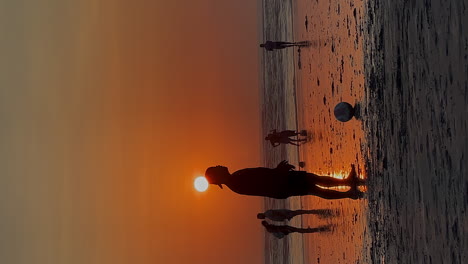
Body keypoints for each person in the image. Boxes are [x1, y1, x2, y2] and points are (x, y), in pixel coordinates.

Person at [204, 161, 364, 200]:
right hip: (282, 185)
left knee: (314, 179)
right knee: (315, 188)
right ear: (218, 176)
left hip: (281, 182)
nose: (219, 164)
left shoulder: (235, 178)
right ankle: (349, 193)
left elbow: (262, 175)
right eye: (216, 167)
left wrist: (277, 170)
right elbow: (263, 184)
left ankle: (348, 183)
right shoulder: (235, 183)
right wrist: (278, 171)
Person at [261, 221, 331, 239]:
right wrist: (287, 229)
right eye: (266, 222)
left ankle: (317, 229)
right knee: (300, 230)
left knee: (300, 230)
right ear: (265, 223)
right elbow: (279, 229)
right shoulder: (269, 228)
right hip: (286, 229)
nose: (267, 222)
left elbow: (278, 231)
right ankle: (318, 229)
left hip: (286, 229)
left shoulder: (269, 229)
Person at [257, 209, 335, 221]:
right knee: (301, 212)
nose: (261, 218)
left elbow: (278, 216)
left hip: (286, 214)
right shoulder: (268, 214)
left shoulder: (268, 215)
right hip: (286, 213)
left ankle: (316, 212)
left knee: (301, 212)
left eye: (260, 217)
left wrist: (285, 217)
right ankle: (316, 212)